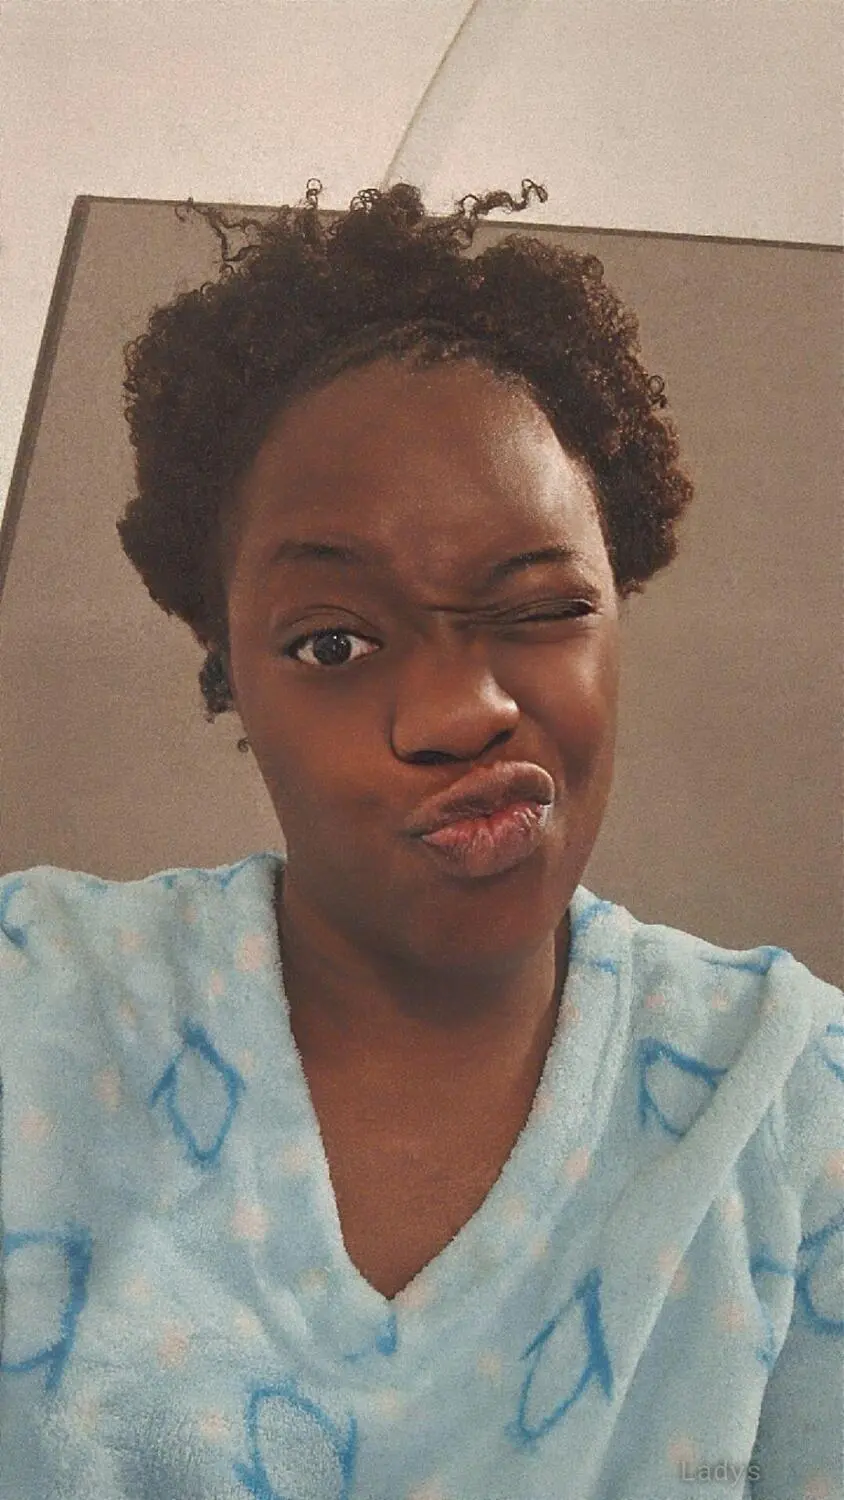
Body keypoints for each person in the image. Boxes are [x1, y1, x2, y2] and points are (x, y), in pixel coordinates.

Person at [0, 179, 840, 1500]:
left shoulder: (789, 1106)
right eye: (334, 642)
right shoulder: (36, 1014)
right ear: (231, 675)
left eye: (541, 608)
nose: (461, 712)